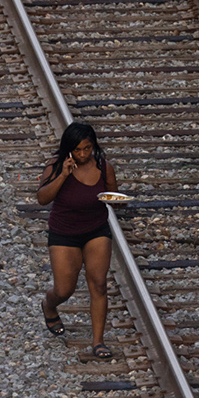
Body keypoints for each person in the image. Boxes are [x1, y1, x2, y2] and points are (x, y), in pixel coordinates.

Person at [37, 122, 123, 359]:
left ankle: (98, 342)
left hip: (96, 230)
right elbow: (42, 198)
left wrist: (119, 200)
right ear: (68, 149)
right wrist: (64, 174)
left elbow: (115, 197)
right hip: (64, 233)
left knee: (98, 284)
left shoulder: (105, 168)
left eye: (87, 149)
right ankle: (49, 305)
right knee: (65, 289)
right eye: (77, 150)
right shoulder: (56, 166)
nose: (83, 154)